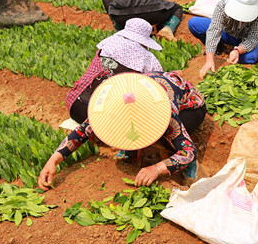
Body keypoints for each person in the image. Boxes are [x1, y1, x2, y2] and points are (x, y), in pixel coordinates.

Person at [38, 72, 205, 189]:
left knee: (168, 138)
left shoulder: (164, 112)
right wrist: (53, 161)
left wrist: (156, 169)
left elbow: (187, 152)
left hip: (191, 107)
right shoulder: (110, 106)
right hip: (154, 90)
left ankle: (189, 168)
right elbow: (81, 132)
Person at [65, 18, 163, 123]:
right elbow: (159, 87)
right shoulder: (148, 59)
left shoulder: (108, 43)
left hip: (75, 104)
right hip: (104, 118)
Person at [189, 0, 258, 79]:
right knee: (194, 23)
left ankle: (236, 51)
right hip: (231, 33)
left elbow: (253, 38)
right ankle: (218, 48)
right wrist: (209, 60)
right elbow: (214, 30)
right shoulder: (223, 4)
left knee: (248, 58)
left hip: (255, 39)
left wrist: (238, 50)